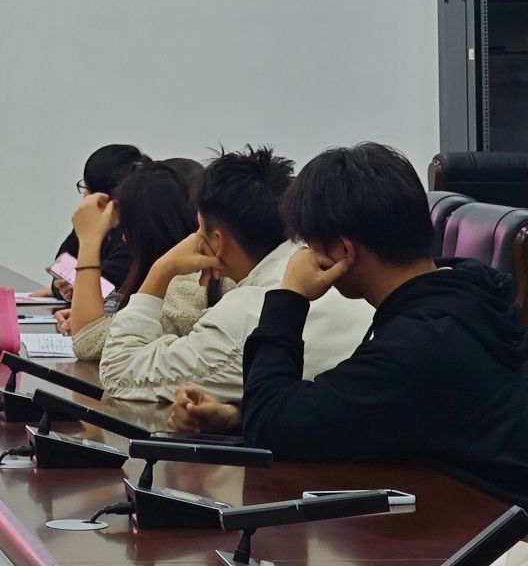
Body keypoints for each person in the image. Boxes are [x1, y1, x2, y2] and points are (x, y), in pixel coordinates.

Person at [175, 143, 528, 533]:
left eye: (311, 245)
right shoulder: (455, 296)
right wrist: (234, 416)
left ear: (343, 252)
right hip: (493, 522)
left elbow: (273, 428)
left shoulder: (422, 342)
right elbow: (344, 414)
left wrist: (288, 298)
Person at [98, 147, 373, 403]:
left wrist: (162, 269)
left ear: (218, 241)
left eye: (200, 229)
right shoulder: (346, 280)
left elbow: (119, 373)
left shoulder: (243, 314)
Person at [59, 162, 233, 362]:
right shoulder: (189, 280)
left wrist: (89, 240)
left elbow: (87, 341)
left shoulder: (187, 285)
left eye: (128, 225)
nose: (124, 237)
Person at [30, 144, 147, 299]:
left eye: (87, 187)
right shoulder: (92, 223)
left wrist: (76, 289)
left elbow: (98, 292)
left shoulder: (136, 234)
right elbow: (61, 270)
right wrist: (62, 290)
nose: (85, 196)